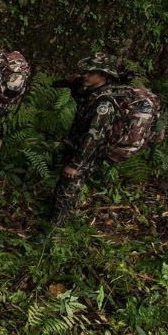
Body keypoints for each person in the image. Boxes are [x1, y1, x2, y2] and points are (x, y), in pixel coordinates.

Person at [50, 53, 121, 226]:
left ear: (104, 75)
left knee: (67, 192)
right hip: (76, 149)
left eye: (91, 73)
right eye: (85, 71)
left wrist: (75, 164)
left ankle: (55, 233)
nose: (85, 75)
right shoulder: (91, 93)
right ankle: (61, 222)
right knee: (64, 190)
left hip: (84, 157)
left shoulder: (103, 104)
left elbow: (93, 137)